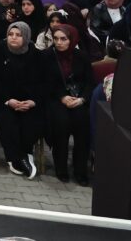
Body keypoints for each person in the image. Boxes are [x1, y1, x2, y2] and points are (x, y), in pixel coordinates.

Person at [0, 22, 42, 179]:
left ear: (27, 37)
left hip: (27, 101)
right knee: (7, 119)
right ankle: (15, 159)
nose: (13, 38)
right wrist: (8, 100)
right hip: (0, 100)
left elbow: (42, 82)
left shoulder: (35, 55)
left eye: (18, 35)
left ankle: (26, 154)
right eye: (10, 34)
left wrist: (32, 101)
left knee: (31, 119)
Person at [41, 24, 95, 185]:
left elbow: (89, 82)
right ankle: (61, 169)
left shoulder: (82, 57)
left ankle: (80, 171)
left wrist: (82, 99)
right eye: (56, 38)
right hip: (55, 99)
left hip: (78, 99)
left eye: (63, 39)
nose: (59, 42)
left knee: (82, 123)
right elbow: (44, 82)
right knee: (61, 123)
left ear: (72, 39)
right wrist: (62, 97)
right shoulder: (47, 56)